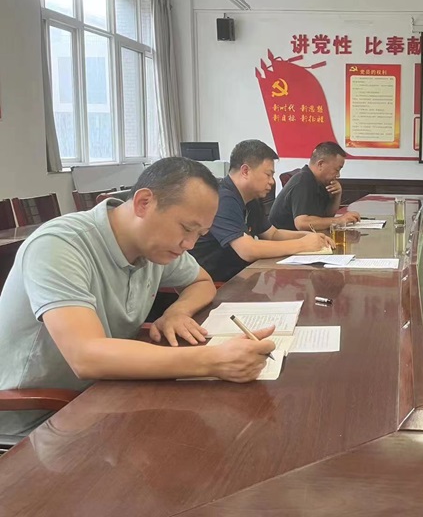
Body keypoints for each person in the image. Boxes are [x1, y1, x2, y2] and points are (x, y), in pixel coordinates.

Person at [0, 157, 277, 437]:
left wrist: (177, 312)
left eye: (200, 234)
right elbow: (85, 356)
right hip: (37, 420)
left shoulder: (153, 246)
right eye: (186, 228)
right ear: (144, 203)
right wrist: (212, 361)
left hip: (107, 394)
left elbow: (202, 282)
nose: (190, 244)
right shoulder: (60, 245)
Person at [190, 140, 333, 282]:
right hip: (216, 283)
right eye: (268, 174)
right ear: (245, 171)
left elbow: (273, 234)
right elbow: (247, 250)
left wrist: (311, 236)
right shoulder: (223, 198)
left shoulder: (251, 198)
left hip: (242, 276)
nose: (272, 181)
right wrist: (303, 244)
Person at [269, 141, 360, 231]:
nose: (338, 175)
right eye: (336, 170)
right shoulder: (303, 181)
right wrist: (339, 220)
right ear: (321, 164)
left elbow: (327, 216)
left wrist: (337, 195)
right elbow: (302, 223)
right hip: (283, 238)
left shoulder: (320, 182)